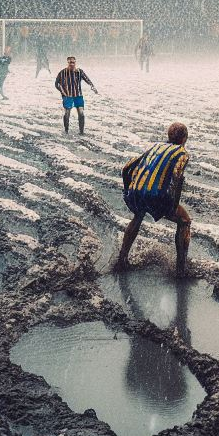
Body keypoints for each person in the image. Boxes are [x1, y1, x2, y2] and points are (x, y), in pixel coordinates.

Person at [114, 122, 191, 277]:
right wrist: (173, 205)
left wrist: (128, 191)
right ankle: (181, 270)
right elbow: (177, 177)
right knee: (184, 221)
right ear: (184, 138)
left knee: (138, 216)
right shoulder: (182, 153)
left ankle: (122, 259)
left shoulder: (155, 147)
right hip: (157, 196)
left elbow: (126, 167)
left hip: (136, 192)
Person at [54, 56, 98, 135]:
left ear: (75, 63)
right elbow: (56, 84)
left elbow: (87, 79)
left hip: (78, 95)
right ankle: (66, 131)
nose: (72, 64)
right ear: (67, 63)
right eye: (70, 62)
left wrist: (92, 86)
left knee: (81, 113)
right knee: (67, 113)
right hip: (68, 96)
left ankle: (81, 132)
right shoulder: (63, 72)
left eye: (73, 62)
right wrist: (62, 92)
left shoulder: (79, 72)